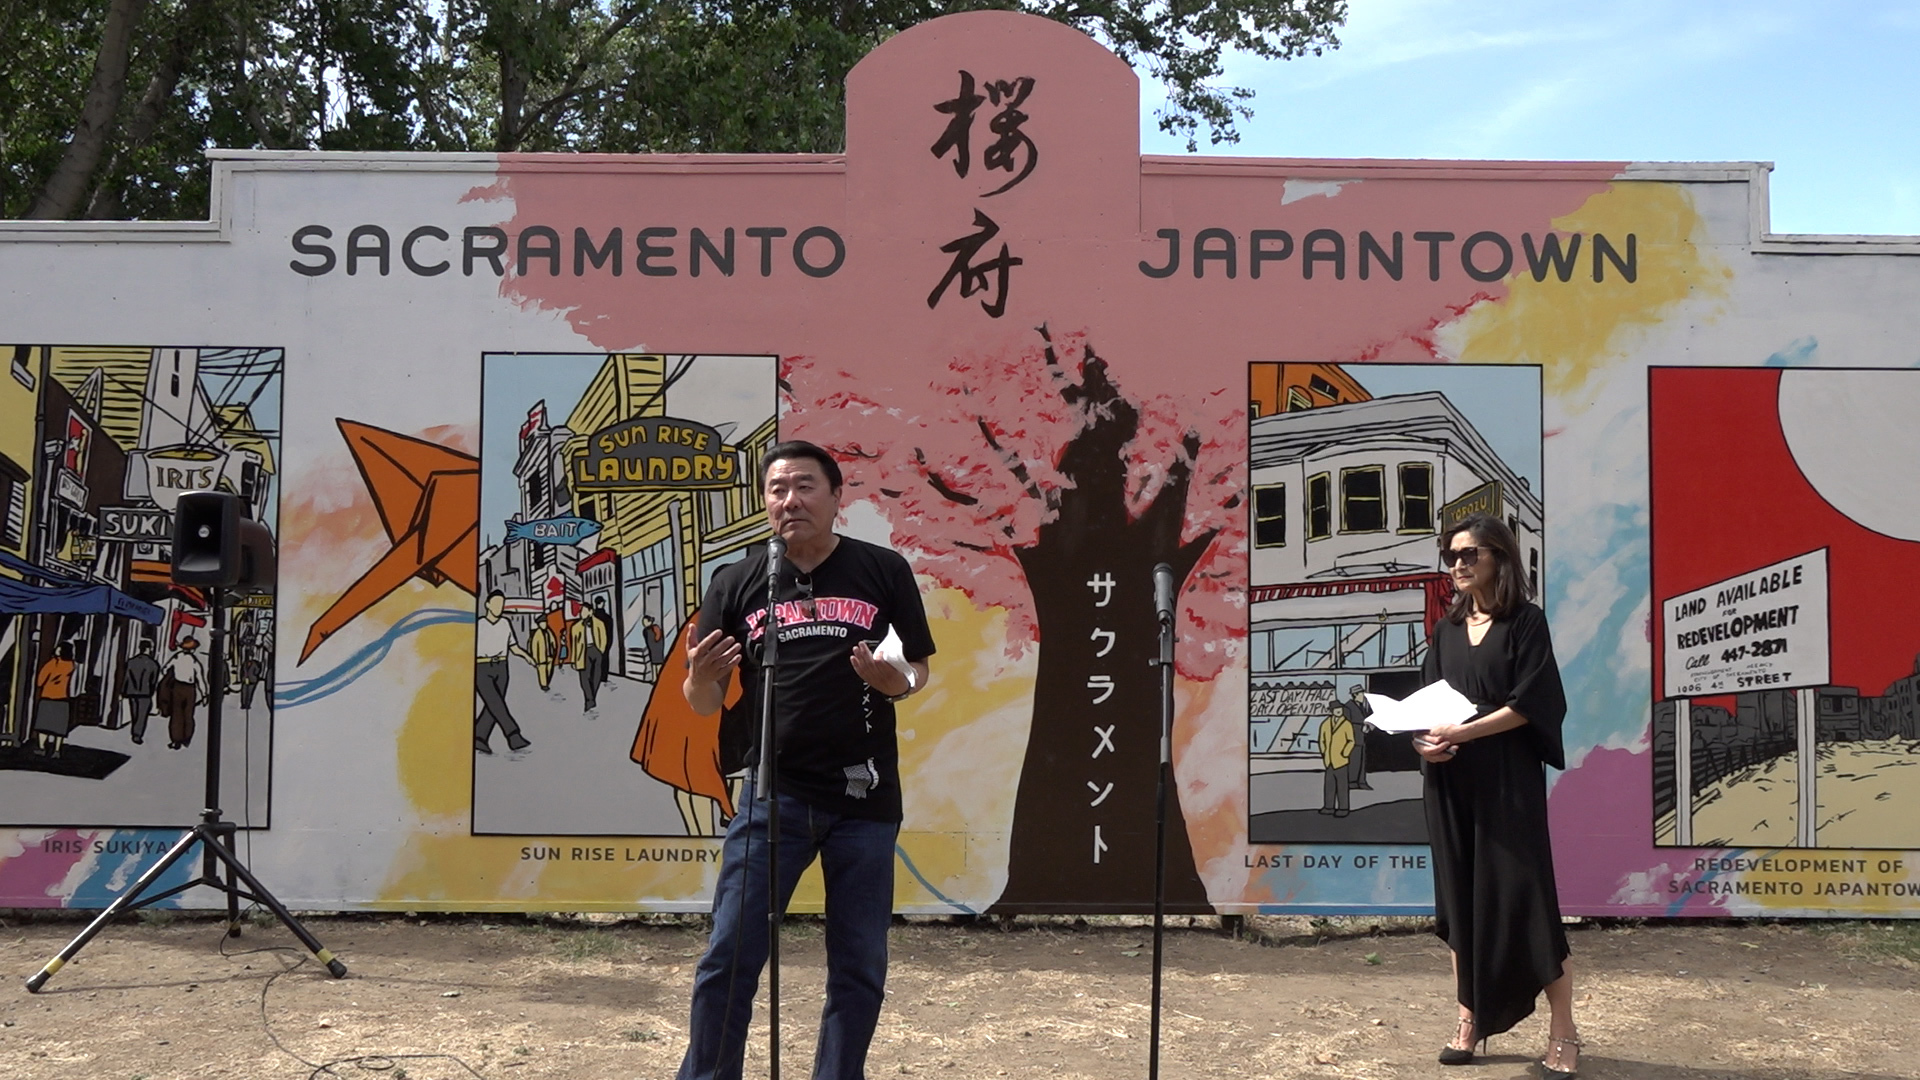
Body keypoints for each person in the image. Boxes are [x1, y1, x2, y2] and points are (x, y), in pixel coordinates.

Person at [676, 441, 935, 1080]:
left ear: (837, 496)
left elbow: (918, 670)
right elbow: (705, 702)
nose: (789, 501)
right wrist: (697, 678)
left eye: (804, 487)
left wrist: (889, 681)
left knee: (858, 965)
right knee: (728, 957)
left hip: (864, 800)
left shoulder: (883, 570)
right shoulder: (737, 582)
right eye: (776, 490)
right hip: (773, 796)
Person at [1413, 513, 1581, 1079]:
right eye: (1451, 555)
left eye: (1469, 554)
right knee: (1461, 905)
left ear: (1499, 558)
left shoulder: (1526, 623)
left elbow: (1534, 704)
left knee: (1527, 903)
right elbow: (1430, 704)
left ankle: (1564, 1029)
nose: (1458, 564)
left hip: (1507, 782)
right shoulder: (1444, 629)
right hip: (1451, 782)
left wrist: (1462, 732)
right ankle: (1469, 1020)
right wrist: (1425, 742)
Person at [475, 590, 534, 754]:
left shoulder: (505, 623)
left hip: (502, 667)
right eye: (496, 603)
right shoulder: (479, 625)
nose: (499, 607)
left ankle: (479, 737)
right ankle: (513, 735)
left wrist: (526, 656)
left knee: (494, 705)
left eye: (501, 604)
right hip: (482, 667)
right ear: (487, 605)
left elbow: (513, 647)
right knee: (496, 703)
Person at [157, 637, 207, 750]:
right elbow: (200, 679)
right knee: (188, 715)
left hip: (177, 687)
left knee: (176, 715)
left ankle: (176, 739)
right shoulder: (195, 662)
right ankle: (186, 738)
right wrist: (204, 694)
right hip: (189, 689)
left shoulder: (176, 657)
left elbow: (164, 669)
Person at [32, 643, 78, 757]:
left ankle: (42, 748)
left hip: (48, 697)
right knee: (59, 727)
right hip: (63, 698)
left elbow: (40, 681)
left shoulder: (53, 663)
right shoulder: (71, 665)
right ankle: (57, 750)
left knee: (43, 726)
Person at [570, 601, 609, 712]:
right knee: (584, 678)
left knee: (596, 676)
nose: (581, 613)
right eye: (581, 611)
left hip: (595, 650)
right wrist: (574, 659)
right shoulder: (576, 627)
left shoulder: (599, 623)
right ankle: (590, 700)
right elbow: (574, 644)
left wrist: (600, 650)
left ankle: (591, 699)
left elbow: (603, 638)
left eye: (584, 611)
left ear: (590, 612)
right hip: (583, 652)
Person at [121, 640, 162, 745]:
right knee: (142, 715)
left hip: (131, 692)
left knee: (134, 713)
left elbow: (126, 678)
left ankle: (135, 731)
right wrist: (151, 691)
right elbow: (154, 681)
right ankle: (137, 735)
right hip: (145, 693)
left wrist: (123, 691)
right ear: (148, 649)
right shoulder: (153, 664)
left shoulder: (131, 662)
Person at [1317, 705, 1353, 816]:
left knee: (1342, 785)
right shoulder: (1325, 724)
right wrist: (1324, 752)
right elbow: (1321, 740)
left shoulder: (1346, 724)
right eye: (1336, 710)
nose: (1339, 711)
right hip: (1329, 760)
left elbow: (1350, 741)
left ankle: (1343, 808)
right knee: (1329, 785)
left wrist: (1345, 753)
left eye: (1340, 709)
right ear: (1332, 711)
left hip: (1341, 760)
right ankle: (1329, 806)